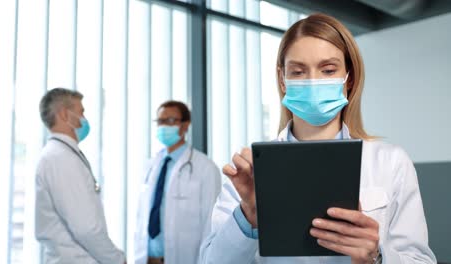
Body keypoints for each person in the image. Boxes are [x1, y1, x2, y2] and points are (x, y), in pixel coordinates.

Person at [200, 13, 436, 264]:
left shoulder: (390, 162)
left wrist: (377, 257)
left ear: (349, 78)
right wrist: (248, 216)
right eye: (298, 71)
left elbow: (420, 260)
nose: (313, 81)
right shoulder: (251, 173)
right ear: (283, 79)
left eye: (328, 70)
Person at [35, 88, 125, 264]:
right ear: (64, 114)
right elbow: (86, 229)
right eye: (81, 112)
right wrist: (118, 260)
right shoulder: (61, 158)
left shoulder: (61, 155)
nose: (84, 119)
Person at [134, 100, 221, 264]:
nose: (164, 126)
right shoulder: (150, 166)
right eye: (160, 121)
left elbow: (210, 224)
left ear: (185, 125)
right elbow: (141, 218)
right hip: (147, 259)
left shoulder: (205, 168)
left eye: (171, 121)